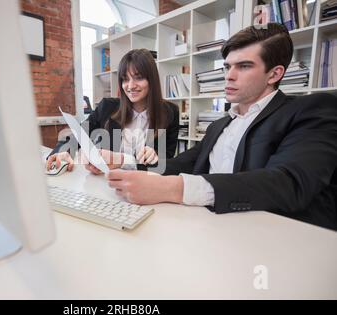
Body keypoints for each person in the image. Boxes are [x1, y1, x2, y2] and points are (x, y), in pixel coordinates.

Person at [106, 23, 337, 231]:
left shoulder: (311, 110)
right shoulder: (219, 125)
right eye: (227, 67)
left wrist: (173, 188)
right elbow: (180, 162)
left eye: (244, 66)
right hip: (210, 227)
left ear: (274, 73)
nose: (229, 76)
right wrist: (125, 163)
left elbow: (289, 183)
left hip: (272, 238)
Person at [46, 48, 180, 173]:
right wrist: (63, 152)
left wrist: (153, 157)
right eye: (125, 79)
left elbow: (165, 165)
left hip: (143, 186)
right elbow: (78, 134)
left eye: (138, 77)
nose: (130, 86)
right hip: (107, 182)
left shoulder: (170, 113)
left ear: (152, 80)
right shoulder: (107, 107)